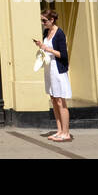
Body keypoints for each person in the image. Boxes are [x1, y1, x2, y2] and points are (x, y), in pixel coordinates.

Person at [33, 10, 72, 142]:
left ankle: (66, 133)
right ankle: (59, 130)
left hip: (58, 69)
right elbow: (46, 48)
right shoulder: (46, 32)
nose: (43, 23)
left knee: (61, 100)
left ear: (52, 20)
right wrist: (40, 46)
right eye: (41, 21)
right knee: (54, 99)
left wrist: (47, 48)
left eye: (44, 21)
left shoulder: (59, 33)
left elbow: (63, 55)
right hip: (49, 69)